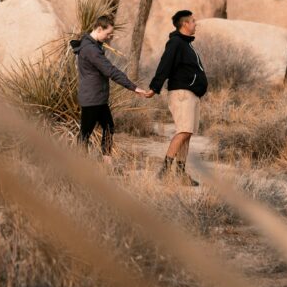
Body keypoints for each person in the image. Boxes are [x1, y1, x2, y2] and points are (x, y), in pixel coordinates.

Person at [70, 15, 154, 163]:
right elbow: (110, 71)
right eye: (108, 34)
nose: (109, 37)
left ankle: (106, 163)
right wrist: (134, 88)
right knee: (85, 134)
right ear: (99, 29)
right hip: (92, 99)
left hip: (97, 98)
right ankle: (79, 166)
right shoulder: (91, 50)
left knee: (108, 127)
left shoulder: (91, 44)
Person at [149, 9, 207, 186]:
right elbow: (164, 65)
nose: (195, 24)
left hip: (191, 95)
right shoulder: (175, 43)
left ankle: (180, 174)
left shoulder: (186, 44)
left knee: (187, 133)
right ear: (185, 24)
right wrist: (154, 87)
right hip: (182, 94)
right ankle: (164, 171)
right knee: (182, 131)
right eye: (193, 21)